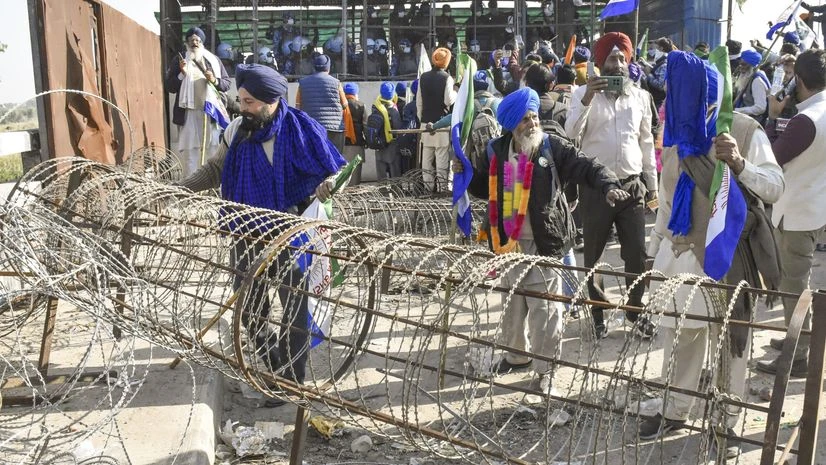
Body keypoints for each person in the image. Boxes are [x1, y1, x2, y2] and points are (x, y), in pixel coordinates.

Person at [639, 52, 784, 459]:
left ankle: (726, 418)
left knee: (730, 345)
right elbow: (667, 206)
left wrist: (739, 163)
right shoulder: (675, 138)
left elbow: (774, 187)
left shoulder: (744, 129)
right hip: (678, 258)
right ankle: (676, 407)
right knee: (678, 338)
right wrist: (654, 255)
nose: (681, 111)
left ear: (710, 95)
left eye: (692, 101)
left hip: (726, 258)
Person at [178, 64, 346, 400]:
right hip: (247, 231)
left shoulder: (302, 129)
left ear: (271, 100)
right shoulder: (238, 129)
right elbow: (215, 168)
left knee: (295, 310)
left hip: (291, 231)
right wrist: (181, 188)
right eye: (241, 100)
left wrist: (330, 185)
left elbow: (337, 169)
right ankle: (277, 367)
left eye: (250, 102)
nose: (244, 108)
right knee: (250, 310)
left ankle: (289, 382)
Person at [459, 88, 628, 386]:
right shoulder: (496, 150)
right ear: (512, 125)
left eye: (534, 116)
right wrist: (465, 172)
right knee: (513, 305)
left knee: (545, 309)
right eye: (525, 119)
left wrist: (608, 185)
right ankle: (516, 356)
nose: (532, 123)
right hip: (507, 243)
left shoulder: (553, 148)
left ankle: (545, 369)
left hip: (543, 240)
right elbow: (481, 187)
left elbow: (588, 166)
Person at [565, 32, 658, 339]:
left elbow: (646, 142)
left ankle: (634, 311)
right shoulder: (582, 95)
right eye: (611, 59)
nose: (618, 64)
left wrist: (652, 185)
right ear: (599, 63)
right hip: (596, 188)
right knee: (594, 254)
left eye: (622, 58)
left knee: (636, 254)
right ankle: (598, 312)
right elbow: (570, 134)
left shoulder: (640, 96)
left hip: (632, 185)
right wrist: (589, 98)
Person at [757, 49, 826, 378]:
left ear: (798, 80)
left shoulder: (804, 120)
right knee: (800, 282)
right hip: (816, 207)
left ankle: (798, 356)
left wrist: (772, 117)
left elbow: (771, 158)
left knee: (793, 287)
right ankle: (797, 339)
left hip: (796, 212)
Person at [165, 27, 232, 178]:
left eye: (197, 40)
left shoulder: (213, 60)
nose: (194, 43)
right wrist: (182, 74)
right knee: (191, 153)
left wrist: (214, 80)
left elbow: (226, 84)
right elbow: (170, 86)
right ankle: (192, 190)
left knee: (212, 150)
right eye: (191, 40)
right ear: (187, 42)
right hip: (188, 113)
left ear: (202, 42)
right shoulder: (180, 60)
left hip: (210, 112)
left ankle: (212, 189)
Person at [417, 48, 457, 193]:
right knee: (441, 158)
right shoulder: (447, 78)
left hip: (425, 123)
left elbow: (419, 102)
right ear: (446, 62)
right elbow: (448, 100)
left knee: (426, 159)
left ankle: (428, 188)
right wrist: (456, 93)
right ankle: (442, 188)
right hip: (441, 124)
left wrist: (421, 119)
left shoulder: (423, 77)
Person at [296, 55, 348, 151]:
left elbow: (298, 107)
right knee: (334, 160)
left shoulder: (302, 83)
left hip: (311, 127)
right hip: (334, 128)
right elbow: (345, 104)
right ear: (328, 67)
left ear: (314, 67)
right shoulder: (336, 83)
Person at [372, 82, 404, 181]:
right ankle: (396, 193)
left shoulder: (376, 106)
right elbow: (398, 127)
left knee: (381, 174)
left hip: (379, 144)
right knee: (395, 172)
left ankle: (382, 193)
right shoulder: (393, 108)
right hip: (392, 145)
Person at [733, 49, 770, 125]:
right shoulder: (746, 75)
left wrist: (737, 110)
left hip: (754, 123)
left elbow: (760, 108)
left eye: (744, 64)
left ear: (752, 66)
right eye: (740, 63)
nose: (740, 67)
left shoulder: (757, 81)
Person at [343, 83, 367, 186]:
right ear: (355, 93)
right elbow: (365, 126)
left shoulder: (340, 105)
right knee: (356, 174)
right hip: (357, 143)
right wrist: (367, 141)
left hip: (342, 144)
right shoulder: (361, 105)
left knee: (343, 173)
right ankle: (354, 197)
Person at [643, 37, 675, 111]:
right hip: (655, 100)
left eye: (655, 48)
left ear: (661, 48)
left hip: (659, 103)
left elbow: (661, 85)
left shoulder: (665, 64)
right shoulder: (660, 61)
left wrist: (648, 74)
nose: (651, 50)